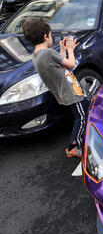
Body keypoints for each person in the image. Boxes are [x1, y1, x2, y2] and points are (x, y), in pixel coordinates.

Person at [22, 18, 89, 158]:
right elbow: (71, 64)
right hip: (71, 93)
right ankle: (73, 146)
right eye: (51, 35)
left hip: (65, 93)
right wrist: (70, 49)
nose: (52, 38)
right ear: (46, 36)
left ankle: (85, 138)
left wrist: (63, 49)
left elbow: (59, 65)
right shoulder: (48, 53)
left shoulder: (36, 55)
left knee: (83, 112)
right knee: (82, 117)